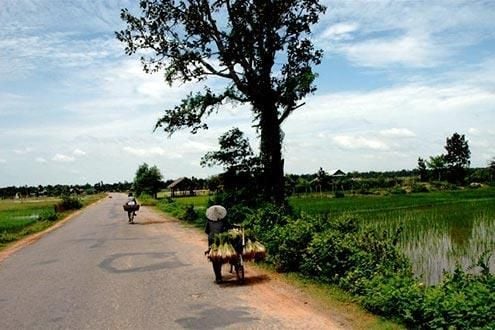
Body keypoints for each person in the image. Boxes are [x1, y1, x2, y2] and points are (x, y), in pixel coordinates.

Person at [204, 205, 228, 283]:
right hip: (221, 241)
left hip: (212, 241)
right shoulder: (223, 221)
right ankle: (219, 273)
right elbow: (228, 229)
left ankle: (218, 277)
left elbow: (206, 231)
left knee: (214, 258)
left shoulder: (209, 221)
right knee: (220, 257)